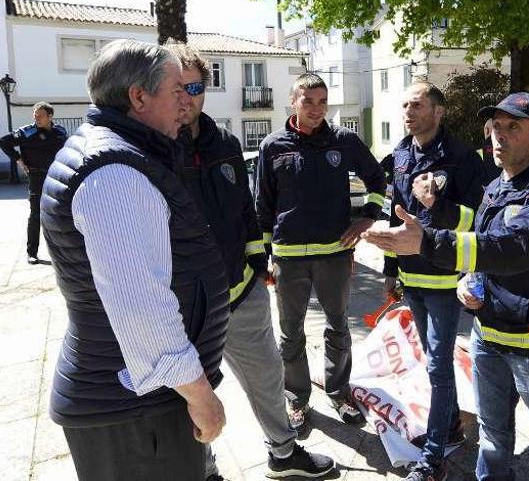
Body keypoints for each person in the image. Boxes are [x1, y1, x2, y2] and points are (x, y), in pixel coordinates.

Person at [364, 93, 529, 481]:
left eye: (513, 127)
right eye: (495, 127)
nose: (499, 136)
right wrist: (470, 279)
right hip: (487, 334)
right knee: (493, 436)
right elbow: (479, 238)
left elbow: (515, 248)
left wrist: (427, 242)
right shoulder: (498, 185)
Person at [40, 39, 227, 480]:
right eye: (177, 89)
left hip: (136, 401)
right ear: (138, 97)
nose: (187, 102)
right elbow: (142, 308)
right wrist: (202, 397)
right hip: (132, 410)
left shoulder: (120, 154)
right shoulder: (114, 173)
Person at [169, 44, 334, 481]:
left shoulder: (224, 142)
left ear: (205, 89)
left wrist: (259, 266)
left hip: (240, 294)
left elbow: (247, 210)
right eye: (177, 86)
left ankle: (283, 454)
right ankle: (202, 470)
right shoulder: (151, 147)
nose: (186, 97)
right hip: (181, 307)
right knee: (187, 396)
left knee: (267, 377)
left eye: (195, 86)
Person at [255, 73, 386, 429]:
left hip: (334, 256)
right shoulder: (273, 146)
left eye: (322, 102)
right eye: (308, 101)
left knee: (338, 327)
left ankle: (339, 391)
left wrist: (367, 218)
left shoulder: (343, 141)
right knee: (291, 333)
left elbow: (378, 180)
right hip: (288, 260)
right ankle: (296, 399)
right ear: (293, 101)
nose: (316, 109)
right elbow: (263, 208)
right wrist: (264, 257)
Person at [382, 81, 484, 481]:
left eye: (417, 104)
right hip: (412, 276)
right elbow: (396, 219)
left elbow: (478, 217)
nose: (408, 111)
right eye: (405, 104)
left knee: (438, 367)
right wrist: (391, 273)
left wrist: (436, 206)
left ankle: (432, 460)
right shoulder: (401, 154)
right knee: (433, 361)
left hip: (444, 280)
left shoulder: (461, 157)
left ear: (438, 112)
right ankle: (454, 426)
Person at [0, 102, 67, 263]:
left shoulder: (60, 132)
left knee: (58, 214)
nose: (36, 119)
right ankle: (32, 252)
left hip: (55, 177)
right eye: (35, 116)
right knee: (36, 214)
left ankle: (61, 253)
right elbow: (4, 141)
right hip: (36, 176)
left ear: (50, 116)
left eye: (40, 116)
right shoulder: (27, 132)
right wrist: (19, 160)